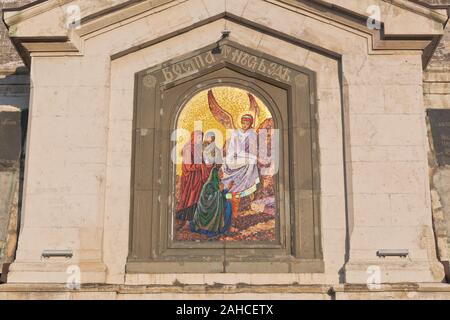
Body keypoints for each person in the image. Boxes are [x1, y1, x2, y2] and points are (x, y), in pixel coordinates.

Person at [222, 114, 260, 228]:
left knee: (251, 161)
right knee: (226, 163)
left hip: (246, 157)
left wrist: (247, 155)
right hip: (234, 157)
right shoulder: (235, 133)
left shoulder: (253, 134)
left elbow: (253, 150)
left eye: (247, 123)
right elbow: (231, 147)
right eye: (243, 123)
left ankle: (245, 185)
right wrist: (233, 155)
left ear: (250, 124)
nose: (244, 125)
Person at [175, 131, 210, 230]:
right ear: (193, 137)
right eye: (198, 138)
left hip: (198, 178)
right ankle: (186, 221)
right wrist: (202, 165)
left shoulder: (198, 148)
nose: (200, 140)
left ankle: (195, 221)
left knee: (198, 198)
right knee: (190, 199)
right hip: (191, 180)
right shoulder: (188, 148)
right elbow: (188, 166)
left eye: (201, 138)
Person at [190, 167, 237, 237]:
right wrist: (219, 191)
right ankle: (217, 229)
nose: (222, 173)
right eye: (220, 171)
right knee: (227, 206)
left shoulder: (218, 182)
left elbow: (220, 194)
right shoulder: (208, 185)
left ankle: (223, 229)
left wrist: (228, 188)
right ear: (215, 174)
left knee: (228, 205)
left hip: (216, 205)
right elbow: (207, 200)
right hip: (208, 209)